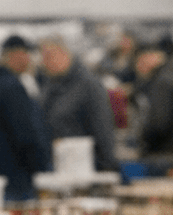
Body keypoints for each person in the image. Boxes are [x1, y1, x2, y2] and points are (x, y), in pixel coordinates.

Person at [0, 35, 50, 202]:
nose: (30, 60)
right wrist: (43, 169)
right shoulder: (10, 88)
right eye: (27, 54)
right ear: (16, 55)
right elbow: (26, 136)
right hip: (15, 181)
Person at [38, 36, 119, 172]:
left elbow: (102, 128)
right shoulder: (50, 85)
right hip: (57, 166)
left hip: (84, 167)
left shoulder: (88, 86)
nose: (46, 62)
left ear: (65, 54)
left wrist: (108, 166)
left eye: (50, 56)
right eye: (44, 57)